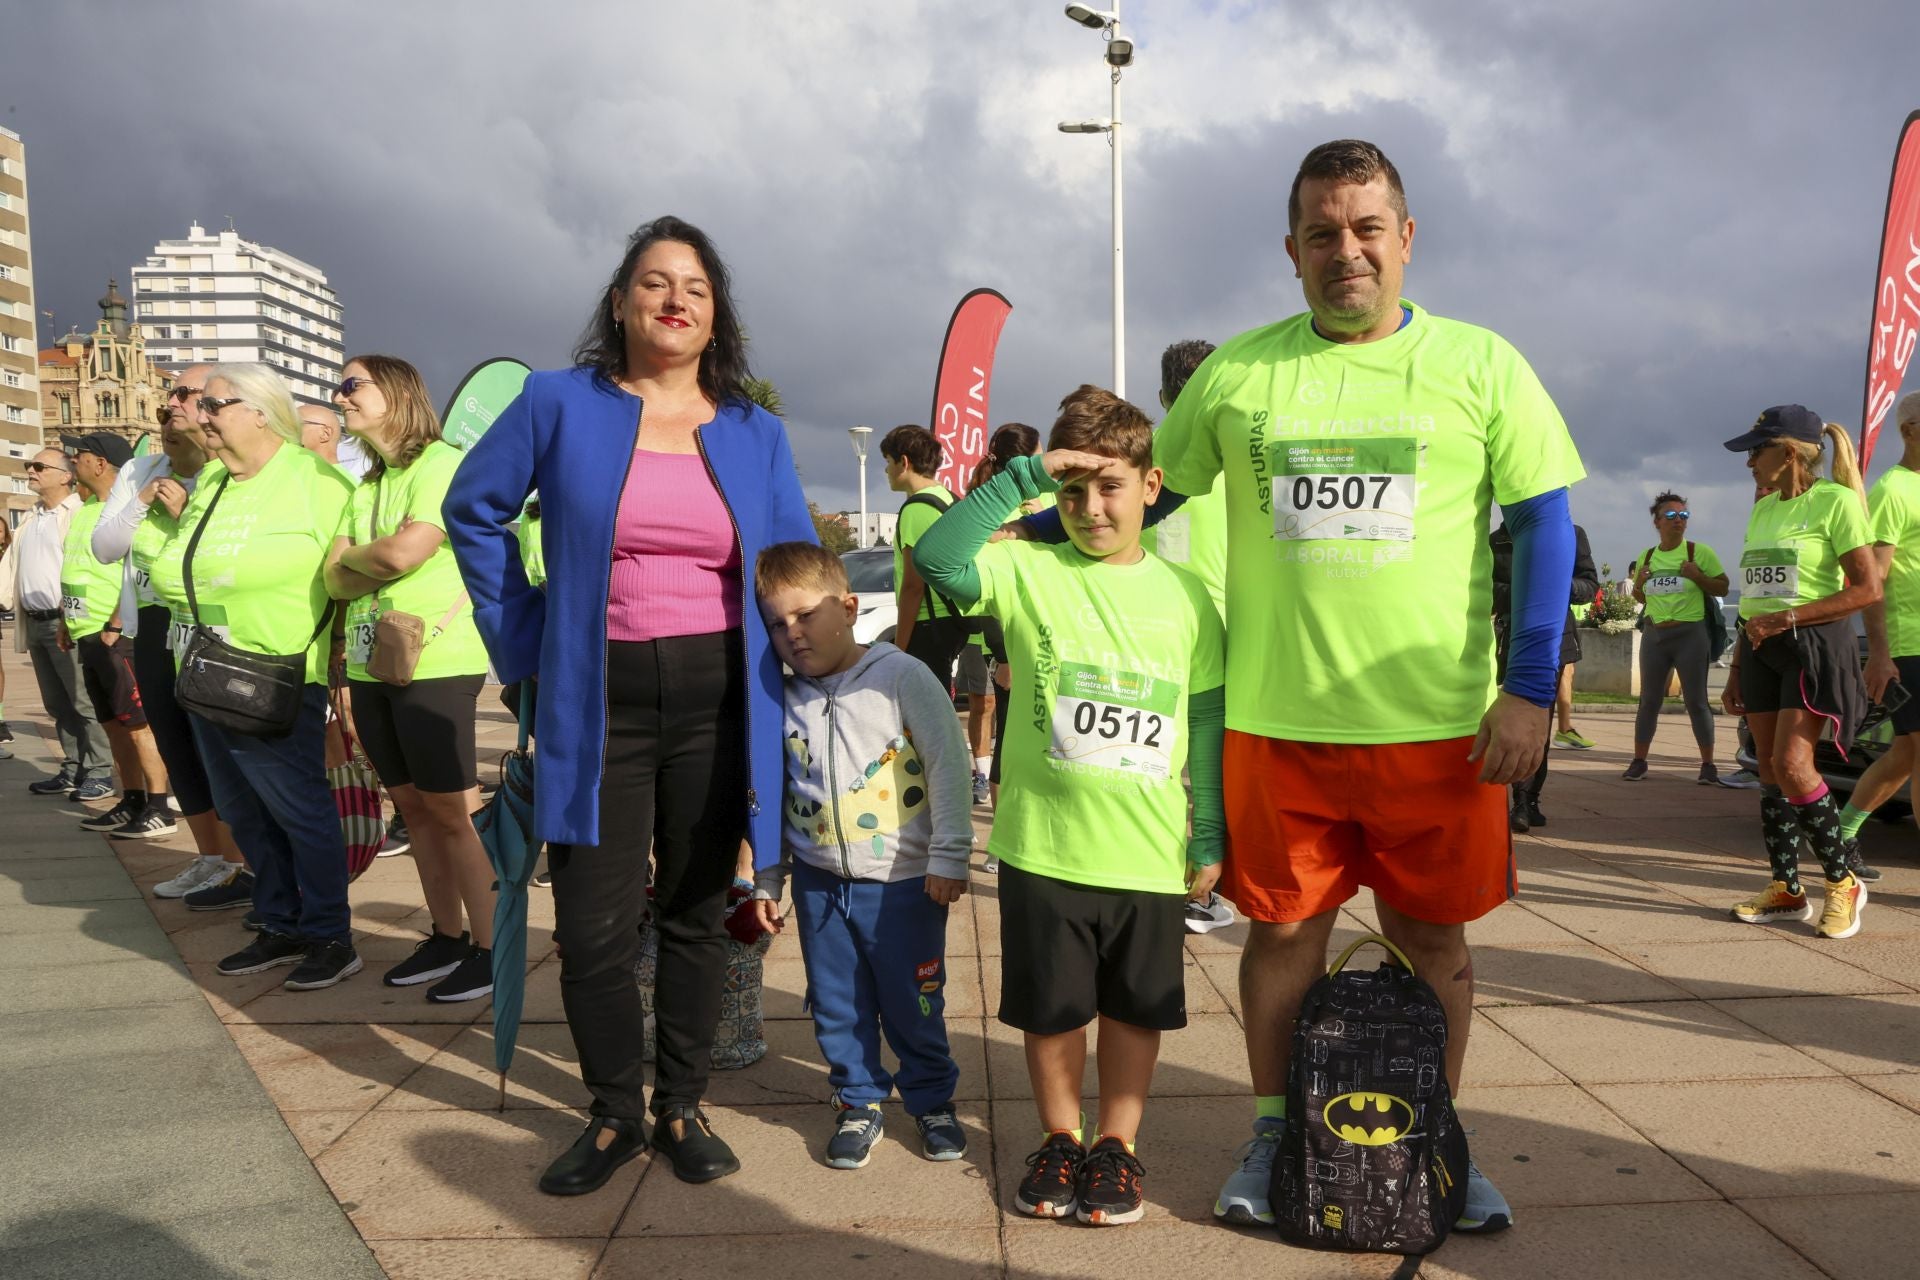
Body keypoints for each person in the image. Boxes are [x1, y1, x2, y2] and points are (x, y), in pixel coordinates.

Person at [1101, 140, 1582, 1235]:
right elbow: (1152, 497)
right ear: (1292, 249)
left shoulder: (1481, 364)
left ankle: (1435, 1133)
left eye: (1367, 228)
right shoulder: (1238, 374)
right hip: (1281, 727)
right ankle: (1276, 1131)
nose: (1346, 250)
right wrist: (1026, 539)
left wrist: (1528, 683)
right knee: (1282, 942)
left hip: (1439, 731)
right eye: (1322, 232)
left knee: (1436, 945)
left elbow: (1545, 519)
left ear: (1406, 239)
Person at [443, 216, 816, 1196]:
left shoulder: (753, 429)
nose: (674, 299)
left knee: (697, 911)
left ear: (715, 312)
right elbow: (471, 508)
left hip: (720, 690)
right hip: (593, 691)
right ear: (621, 301)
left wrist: (820, 668)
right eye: (653, 282)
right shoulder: (557, 401)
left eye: (694, 285)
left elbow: (787, 566)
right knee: (599, 923)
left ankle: (681, 1103)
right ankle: (613, 1112)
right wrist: (521, 635)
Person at [916, 386, 1228, 1227]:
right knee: (1052, 1010)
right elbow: (940, 560)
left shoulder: (1190, 597)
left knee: (1134, 1009)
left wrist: (1209, 829)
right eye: (1075, 491)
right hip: (1044, 845)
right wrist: (1023, 477)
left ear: (1152, 484)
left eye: (1111, 487)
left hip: (1148, 851)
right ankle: (1061, 1135)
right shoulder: (1026, 569)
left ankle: (1118, 1144)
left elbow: (1202, 719)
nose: (1091, 508)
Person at [748, 542, 972, 1170]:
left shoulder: (901, 676)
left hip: (904, 882)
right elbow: (774, 790)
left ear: (847, 607)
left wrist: (949, 856)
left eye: (805, 615)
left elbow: (948, 765)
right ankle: (857, 1099)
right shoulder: (783, 694)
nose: (791, 634)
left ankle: (931, 1101)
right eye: (775, 622)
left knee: (913, 1000)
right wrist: (770, 877)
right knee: (837, 1000)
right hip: (821, 882)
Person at [146, 363, 361, 989]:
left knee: (299, 810)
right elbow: (167, 568)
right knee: (243, 811)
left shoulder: (317, 481)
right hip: (206, 668)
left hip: (277, 673)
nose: (201, 415)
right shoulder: (212, 481)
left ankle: (329, 934)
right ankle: (279, 921)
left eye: (214, 404)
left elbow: (344, 579)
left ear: (261, 411)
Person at [326, 355, 496, 1003]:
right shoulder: (367, 485)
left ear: (395, 394)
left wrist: (365, 561)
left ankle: (492, 947)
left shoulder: (441, 465)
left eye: (352, 386)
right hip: (373, 664)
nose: (341, 398)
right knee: (415, 809)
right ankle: (447, 935)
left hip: (437, 661)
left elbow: (406, 552)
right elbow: (332, 577)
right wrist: (371, 561)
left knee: (455, 813)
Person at [92, 370, 251, 897]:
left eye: (185, 396)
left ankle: (240, 861)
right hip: (156, 623)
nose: (173, 406)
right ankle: (211, 857)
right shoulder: (141, 468)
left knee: (219, 748)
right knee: (176, 744)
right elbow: (106, 546)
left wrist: (182, 512)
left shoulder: (228, 470)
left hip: (213, 621)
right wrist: (140, 501)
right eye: (168, 402)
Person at [1721, 405, 1878, 940]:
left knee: (1793, 763)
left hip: (1811, 644)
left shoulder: (1835, 502)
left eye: (1754, 451)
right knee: (1767, 767)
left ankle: (1844, 881)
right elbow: (1753, 600)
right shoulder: (1763, 509)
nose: (1748, 463)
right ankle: (1787, 890)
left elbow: (1866, 588)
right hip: (1761, 646)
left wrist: (1789, 617)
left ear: (1788, 452)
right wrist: (1737, 666)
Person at [58, 430, 177, 839]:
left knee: (138, 723)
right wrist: (65, 620)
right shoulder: (88, 509)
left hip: (116, 634)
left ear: (101, 463)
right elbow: (80, 567)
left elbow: (130, 569)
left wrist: (115, 621)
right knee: (112, 724)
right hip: (85, 632)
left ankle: (160, 804)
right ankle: (133, 799)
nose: (72, 461)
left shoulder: (123, 508)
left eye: (79, 454)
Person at [1836, 393, 1920, 873]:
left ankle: (1840, 833)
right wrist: (1880, 654)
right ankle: (1839, 835)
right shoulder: (1893, 489)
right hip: (1909, 644)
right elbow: (1874, 580)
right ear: (1909, 431)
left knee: (1906, 752)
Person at [14, 447, 113, 799]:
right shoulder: (32, 515)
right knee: (56, 703)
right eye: (29, 465)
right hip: (36, 621)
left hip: (66, 621)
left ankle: (100, 770)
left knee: (83, 701)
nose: (31, 471)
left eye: (39, 466)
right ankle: (73, 767)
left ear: (65, 475)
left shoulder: (77, 513)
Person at [1492, 519, 1599, 830]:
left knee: (1539, 719)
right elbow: (1482, 586)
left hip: (1553, 639)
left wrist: (1557, 586)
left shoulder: (1571, 534)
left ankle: (1527, 800)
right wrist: (1527, 588)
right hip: (1505, 638)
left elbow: (1589, 586)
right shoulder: (1494, 541)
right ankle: (1515, 799)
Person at [967, 423, 1043, 834]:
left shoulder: (1034, 502)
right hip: (1008, 647)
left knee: (1032, 736)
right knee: (1011, 740)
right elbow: (990, 592)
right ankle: (1004, 834)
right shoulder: (993, 508)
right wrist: (1004, 655)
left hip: (1037, 641)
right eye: (1040, 450)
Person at [1624, 494, 1729, 784]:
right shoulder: (1647, 556)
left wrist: (1697, 577)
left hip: (1690, 635)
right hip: (1655, 635)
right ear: (1657, 522)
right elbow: (1641, 597)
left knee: (1696, 702)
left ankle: (1708, 765)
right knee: (1649, 701)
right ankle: (1639, 761)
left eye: (1684, 515)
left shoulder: (1698, 552)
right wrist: (1641, 584)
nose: (1679, 520)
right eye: (1670, 516)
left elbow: (1722, 587)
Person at [1142, 340, 1228, 624]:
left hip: (1145, 618)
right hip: (1226, 624)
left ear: (1161, 397)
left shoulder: (1132, 458)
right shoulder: (1240, 453)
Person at [882, 425, 972, 684]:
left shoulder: (917, 508)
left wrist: (899, 648)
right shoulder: (948, 498)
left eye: (888, 461)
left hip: (927, 622)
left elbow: (913, 585)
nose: (887, 470)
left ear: (904, 462)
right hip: (952, 620)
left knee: (922, 715)